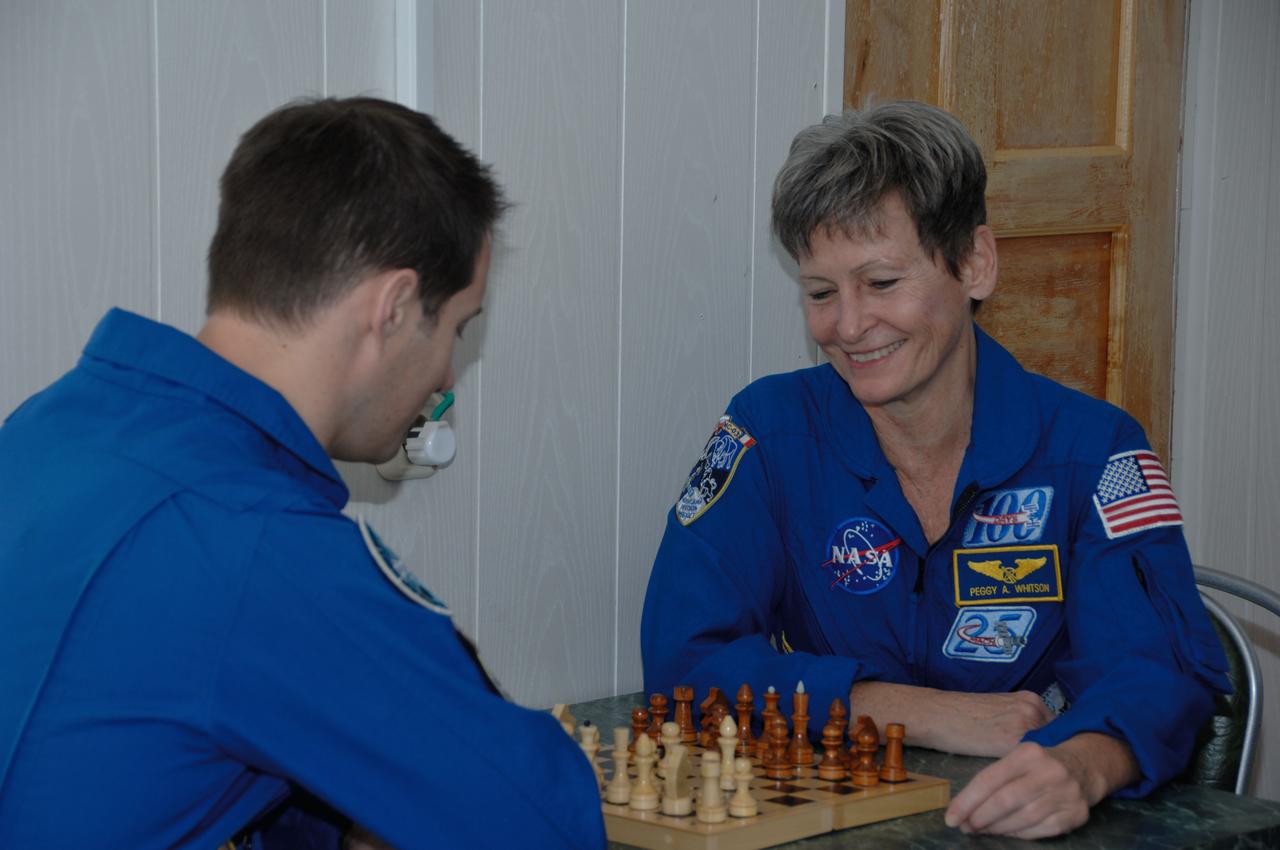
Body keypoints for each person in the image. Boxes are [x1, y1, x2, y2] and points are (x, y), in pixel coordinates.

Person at [0, 97, 605, 850]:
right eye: (457, 327)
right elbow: (537, 820)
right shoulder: (257, 541)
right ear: (392, 307)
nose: (447, 372)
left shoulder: (45, 430)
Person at [640, 101, 1230, 840]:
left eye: (881, 283)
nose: (848, 327)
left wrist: (1084, 762)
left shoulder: (1094, 450)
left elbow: (1162, 671)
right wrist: (911, 710)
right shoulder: (767, 433)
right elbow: (684, 664)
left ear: (975, 263)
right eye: (820, 292)